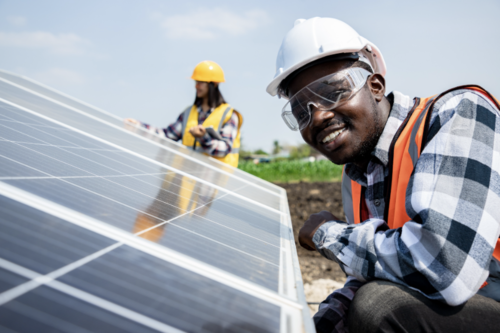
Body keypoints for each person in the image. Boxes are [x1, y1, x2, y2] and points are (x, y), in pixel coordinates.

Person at [266, 17, 500, 332]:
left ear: (375, 86)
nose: (318, 116)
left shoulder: (459, 113)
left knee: (378, 306)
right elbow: (369, 277)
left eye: (333, 92)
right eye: (300, 111)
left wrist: (328, 234)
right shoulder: (356, 176)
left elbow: (445, 267)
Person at [125, 60, 243, 167]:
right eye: (196, 82)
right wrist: (139, 127)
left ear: (214, 84)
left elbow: (225, 149)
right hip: (186, 181)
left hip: (213, 184)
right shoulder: (188, 113)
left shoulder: (229, 115)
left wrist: (203, 138)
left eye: (201, 82)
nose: (196, 86)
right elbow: (167, 135)